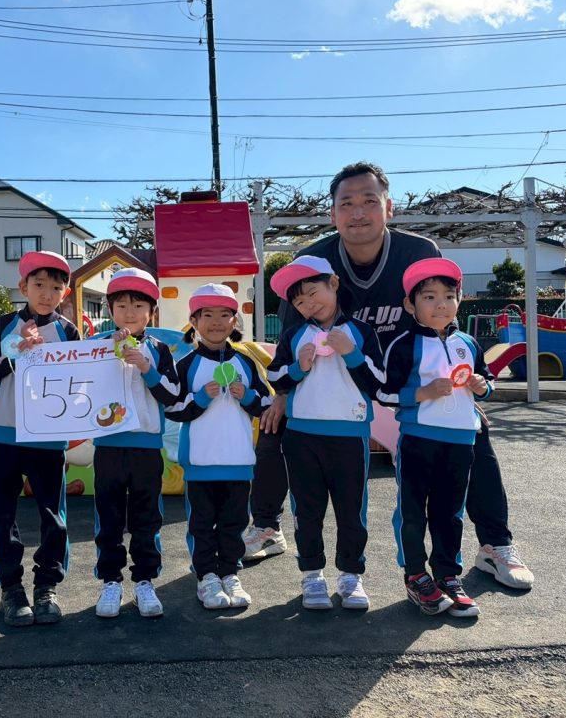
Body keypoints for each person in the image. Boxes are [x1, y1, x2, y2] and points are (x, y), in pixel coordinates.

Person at [265, 161, 535, 590]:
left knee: (474, 433)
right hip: (341, 384)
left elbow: (440, 325)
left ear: (389, 208)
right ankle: (266, 526)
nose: (358, 212)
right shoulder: (312, 260)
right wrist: (281, 395)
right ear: (332, 213)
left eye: (369, 201)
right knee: (275, 424)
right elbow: (291, 335)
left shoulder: (419, 252)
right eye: (346, 203)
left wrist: (461, 396)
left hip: (404, 380)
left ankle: (494, 545)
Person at [267, 256, 384, 611]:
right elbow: (274, 377)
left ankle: (351, 575)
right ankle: (312, 574)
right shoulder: (294, 335)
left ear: (333, 283)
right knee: (307, 510)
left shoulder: (360, 332)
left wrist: (352, 354)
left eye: (312, 292)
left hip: (350, 435)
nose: (308, 304)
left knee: (351, 510)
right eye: (299, 301)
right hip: (302, 435)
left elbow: (379, 383)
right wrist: (298, 368)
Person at [381, 258, 493, 617]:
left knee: (450, 512)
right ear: (410, 304)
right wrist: (422, 393)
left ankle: (447, 576)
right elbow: (384, 392)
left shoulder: (469, 343)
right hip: (418, 439)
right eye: (429, 297)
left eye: (448, 296)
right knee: (413, 511)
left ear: (459, 301)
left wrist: (482, 386)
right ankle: (415, 575)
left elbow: (488, 381)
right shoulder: (403, 345)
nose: (440, 304)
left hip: (461, 441)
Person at [0, 250, 81, 626]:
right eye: (39, 285)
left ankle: (47, 586)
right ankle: (11, 588)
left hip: (49, 437)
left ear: (65, 293)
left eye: (56, 287)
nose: (47, 294)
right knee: (2, 515)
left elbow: (78, 380)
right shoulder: (6, 324)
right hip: (5, 432)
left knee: (53, 515)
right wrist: (14, 354)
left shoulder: (68, 331)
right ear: (23, 287)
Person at [166, 284, 271, 610]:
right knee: (201, 525)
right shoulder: (186, 364)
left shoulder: (246, 363)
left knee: (234, 523)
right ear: (194, 321)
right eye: (207, 315)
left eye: (224, 315)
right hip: (200, 462)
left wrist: (248, 396)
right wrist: (200, 399)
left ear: (234, 321)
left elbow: (266, 404)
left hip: (238, 461)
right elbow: (172, 408)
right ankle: (206, 577)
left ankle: (229, 573)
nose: (216, 322)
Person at [91, 268, 180, 619]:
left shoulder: (158, 350)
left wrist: (147, 367)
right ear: (110, 310)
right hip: (108, 446)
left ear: (151, 312)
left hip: (146, 445)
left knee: (147, 517)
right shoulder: (96, 347)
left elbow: (172, 395)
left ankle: (145, 580)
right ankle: (110, 581)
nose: (130, 313)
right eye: (122, 305)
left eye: (138, 305)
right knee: (109, 517)